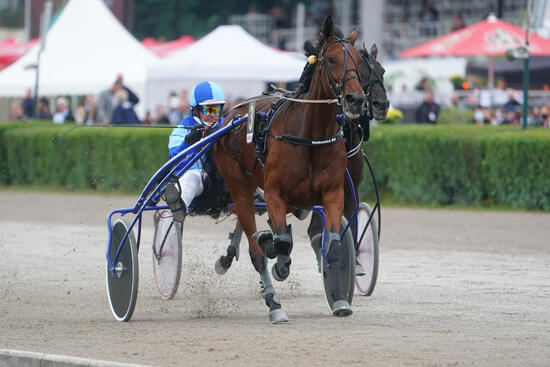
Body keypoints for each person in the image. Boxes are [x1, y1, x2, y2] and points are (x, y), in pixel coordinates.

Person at [164, 81, 226, 223]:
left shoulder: (227, 124)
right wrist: (188, 141)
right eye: (208, 109)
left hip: (225, 176)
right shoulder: (182, 128)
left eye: (215, 109)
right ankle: (178, 208)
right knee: (192, 178)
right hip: (198, 178)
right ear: (196, 110)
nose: (212, 114)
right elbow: (175, 159)